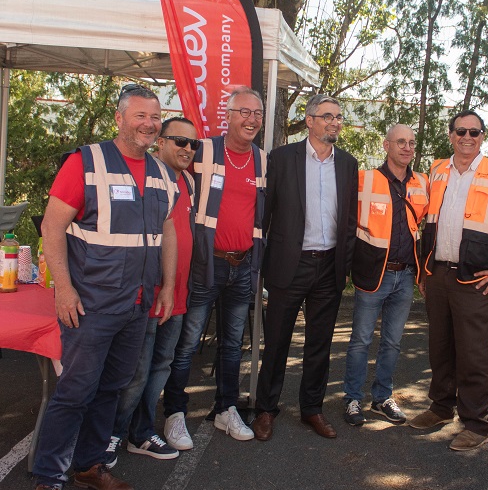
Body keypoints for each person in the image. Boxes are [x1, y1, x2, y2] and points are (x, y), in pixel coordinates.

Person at [29, 84, 179, 490]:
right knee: (75, 391)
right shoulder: (87, 162)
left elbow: (166, 232)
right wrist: (63, 289)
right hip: (91, 304)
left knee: (112, 389)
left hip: (137, 303)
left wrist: (168, 286)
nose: (149, 124)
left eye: (154, 117)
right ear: (119, 118)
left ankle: (90, 467)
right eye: (140, 116)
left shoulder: (162, 173)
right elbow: (53, 228)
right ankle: (48, 480)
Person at [410, 109, 488, 450]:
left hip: (474, 280)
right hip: (437, 274)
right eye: (461, 131)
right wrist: (423, 270)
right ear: (450, 135)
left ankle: (477, 424)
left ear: (483, 137)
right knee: (440, 347)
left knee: (472, 353)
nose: (468, 137)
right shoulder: (437, 170)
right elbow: (419, 220)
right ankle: (440, 407)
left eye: (475, 132)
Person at [161, 87, 267, 446]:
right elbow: (167, 176)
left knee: (233, 344)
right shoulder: (203, 150)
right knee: (187, 344)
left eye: (257, 113)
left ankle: (226, 408)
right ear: (229, 115)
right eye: (244, 112)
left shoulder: (262, 161)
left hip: (243, 266)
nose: (251, 119)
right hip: (207, 266)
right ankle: (174, 413)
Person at [252, 94, 358, 441]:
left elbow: (350, 219)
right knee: (278, 341)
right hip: (289, 265)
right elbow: (264, 215)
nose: (335, 122)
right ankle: (266, 410)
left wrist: (345, 264)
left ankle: (312, 409)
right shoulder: (282, 158)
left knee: (320, 345)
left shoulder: (347, 163)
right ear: (309, 120)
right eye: (327, 116)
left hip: (328, 267)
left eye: (339, 117)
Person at [106, 118, 197, 467]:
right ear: (160, 142)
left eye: (193, 144)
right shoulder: (146, 176)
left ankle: (140, 432)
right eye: (179, 141)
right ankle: (112, 433)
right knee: (135, 370)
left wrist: (177, 287)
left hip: (177, 293)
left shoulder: (188, 181)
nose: (187, 149)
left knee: (161, 364)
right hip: (147, 293)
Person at [343, 125, 429, 426]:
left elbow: (425, 228)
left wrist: (423, 272)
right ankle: (353, 399)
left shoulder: (422, 183)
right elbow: (347, 223)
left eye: (411, 143)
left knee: (392, 342)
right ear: (386, 145)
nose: (407, 147)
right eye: (400, 142)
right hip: (372, 274)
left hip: (405, 276)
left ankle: (382, 398)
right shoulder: (365, 180)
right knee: (360, 341)